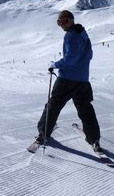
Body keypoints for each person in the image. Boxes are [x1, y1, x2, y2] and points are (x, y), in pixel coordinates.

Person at [35, 10, 102, 152]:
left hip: (66, 79)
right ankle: (94, 138)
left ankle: (43, 132)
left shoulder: (71, 36)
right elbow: (89, 55)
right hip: (83, 80)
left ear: (71, 20)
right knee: (85, 109)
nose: (62, 25)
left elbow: (70, 59)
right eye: (59, 22)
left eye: (64, 21)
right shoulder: (84, 34)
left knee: (53, 105)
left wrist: (55, 64)